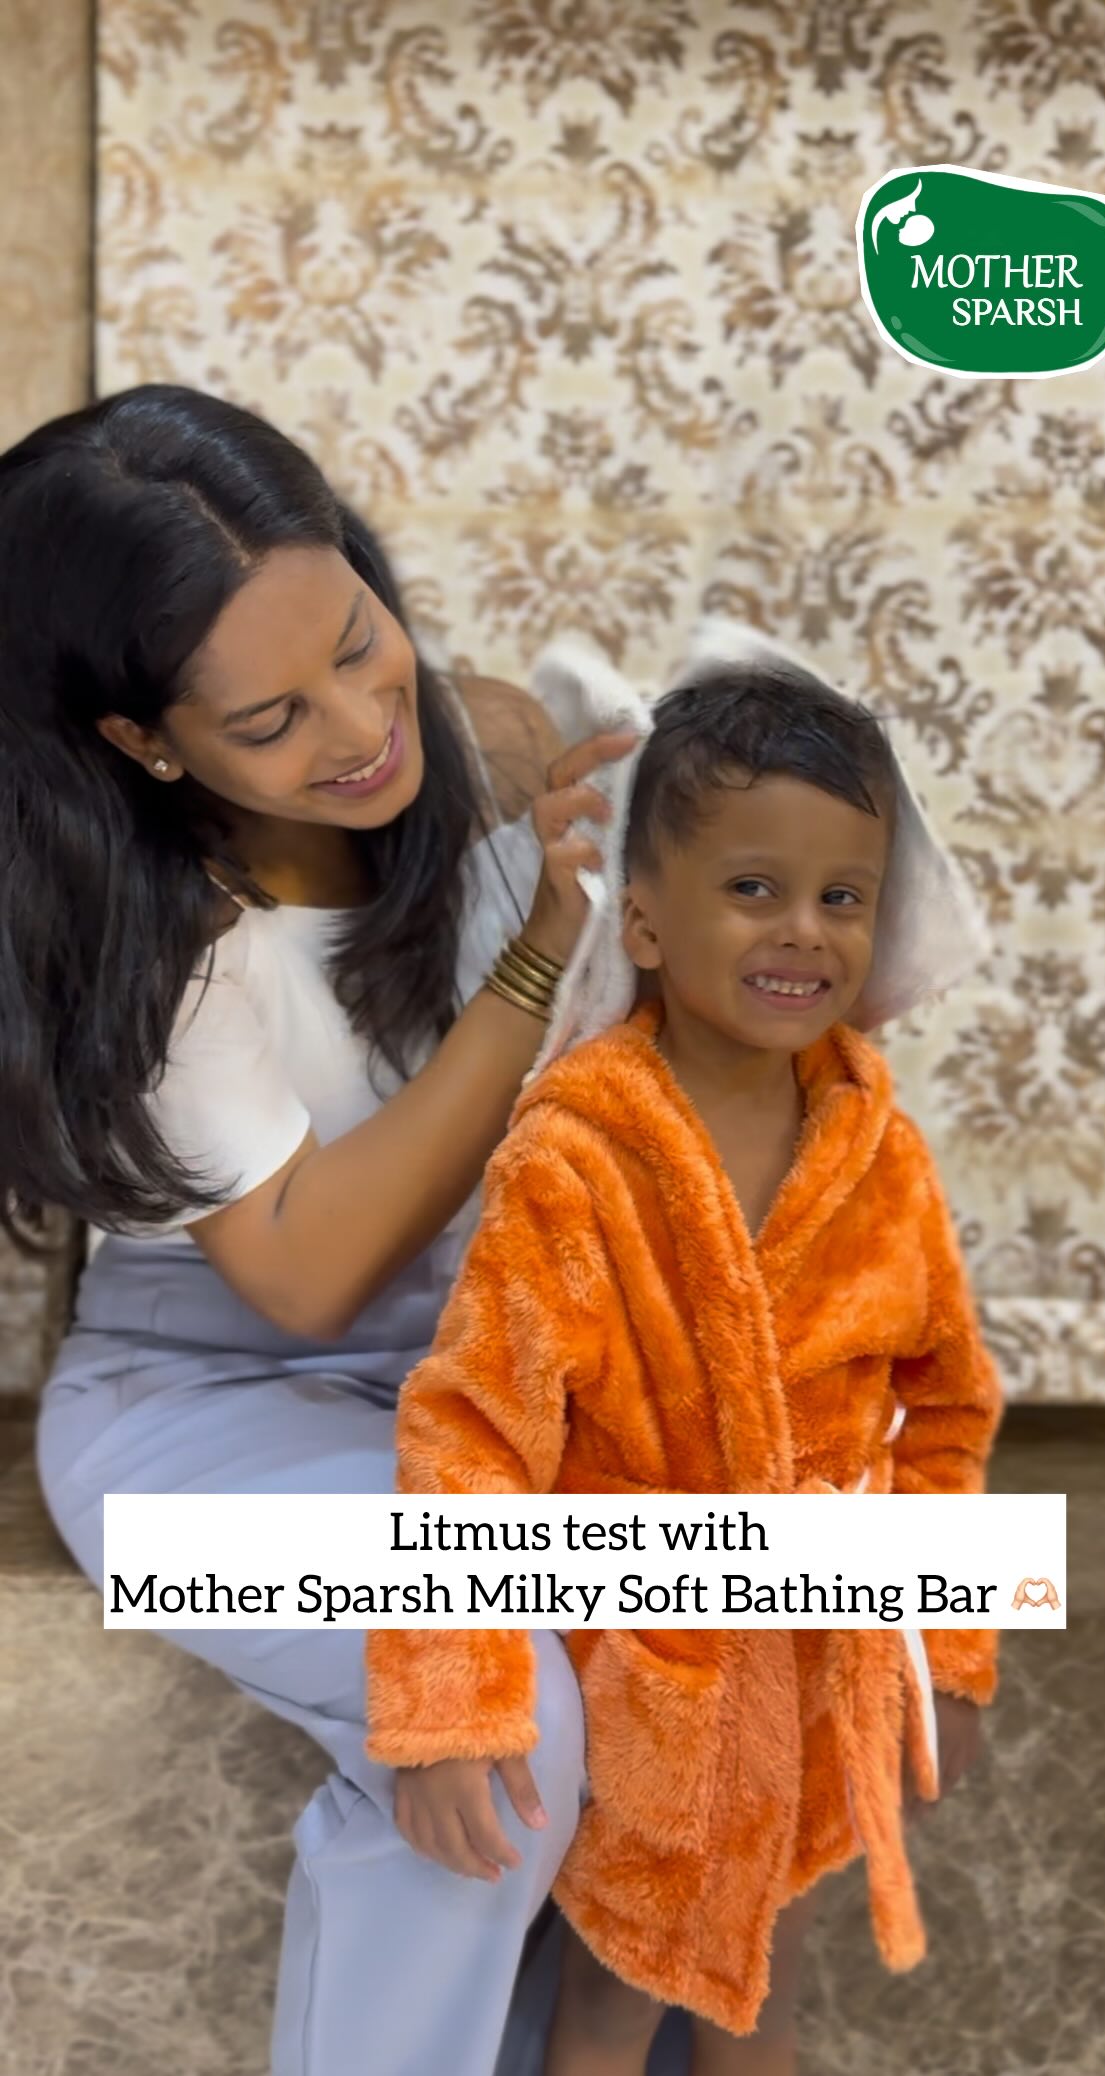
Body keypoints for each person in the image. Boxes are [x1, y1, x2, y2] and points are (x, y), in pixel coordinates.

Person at [0, 383, 641, 2076]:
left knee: (696, 1653)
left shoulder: (461, 742)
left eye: (360, 640)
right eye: (274, 717)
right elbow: (303, 1274)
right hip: (202, 1424)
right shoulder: (158, 937)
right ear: (144, 744)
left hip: (471, 1404)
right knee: (490, 1706)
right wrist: (533, 964)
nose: (362, 725)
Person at [365, 642, 1005, 2076]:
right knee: (615, 1996)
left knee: (759, 1985)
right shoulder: (577, 1158)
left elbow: (946, 1410)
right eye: (754, 889)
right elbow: (472, 1439)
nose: (805, 933)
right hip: (637, 1660)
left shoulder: (875, 1155)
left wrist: (944, 1651)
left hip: (807, 1658)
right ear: (644, 923)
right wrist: (456, 1702)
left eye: (843, 898)